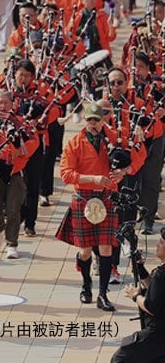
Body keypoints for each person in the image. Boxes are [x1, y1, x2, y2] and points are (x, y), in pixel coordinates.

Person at [56, 102, 145, 312]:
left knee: (106, 248)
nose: (94, 123)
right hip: (83, 198)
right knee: (85, 251)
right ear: (85, 120)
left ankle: (103, 294)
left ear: (103, 119)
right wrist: (93, 178)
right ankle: (86, 284)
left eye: (97, 119)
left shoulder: (115, 137)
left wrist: (125, 171)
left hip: (106, 197)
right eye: (90, 119)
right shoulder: (74, 143)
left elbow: (139, 155)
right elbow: (66, 174)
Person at [113, 228, 165, 362]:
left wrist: (135, 296)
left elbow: (151, 306)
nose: (157, 245)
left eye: (161, 242)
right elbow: (159, 293)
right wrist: (141, 271)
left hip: (157, 333)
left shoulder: (161, 274)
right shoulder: (161, 273)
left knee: (121, 357)